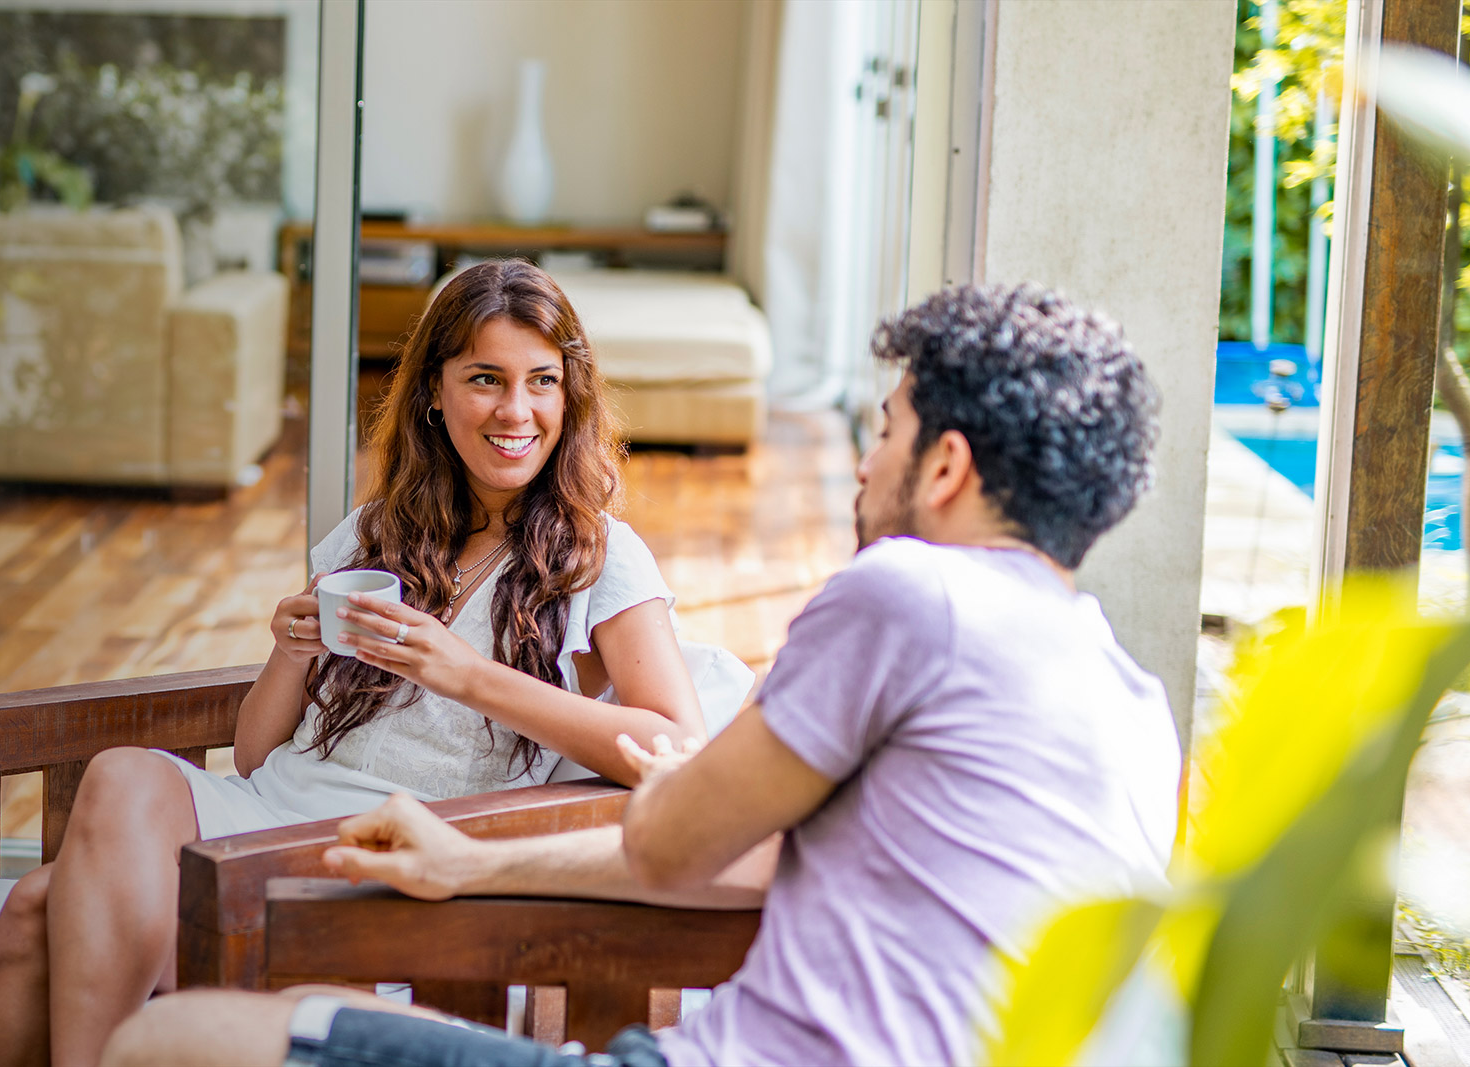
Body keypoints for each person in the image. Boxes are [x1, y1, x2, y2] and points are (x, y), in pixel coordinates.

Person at [97, 282, 1180, 1067]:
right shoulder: (1138, 708)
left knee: (167, 1036)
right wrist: (469, 860)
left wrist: (587, 790)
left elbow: (677, 829)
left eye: (884, 429)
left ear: (944, 466)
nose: (860, 459)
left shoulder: (905, 592)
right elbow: (747, 857)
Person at [0, 259, 708, 1066]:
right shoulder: (374, 533)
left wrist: (463, 671)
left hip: (389, 854)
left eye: (542, 381)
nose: (515, 410)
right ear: (434, 390)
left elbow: (677, 747)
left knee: (40, 908)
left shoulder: (599, 556)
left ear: (571, 394)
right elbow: (252, 755)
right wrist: (290, 648)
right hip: (265, 820)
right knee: (120, 774)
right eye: (486, 378)